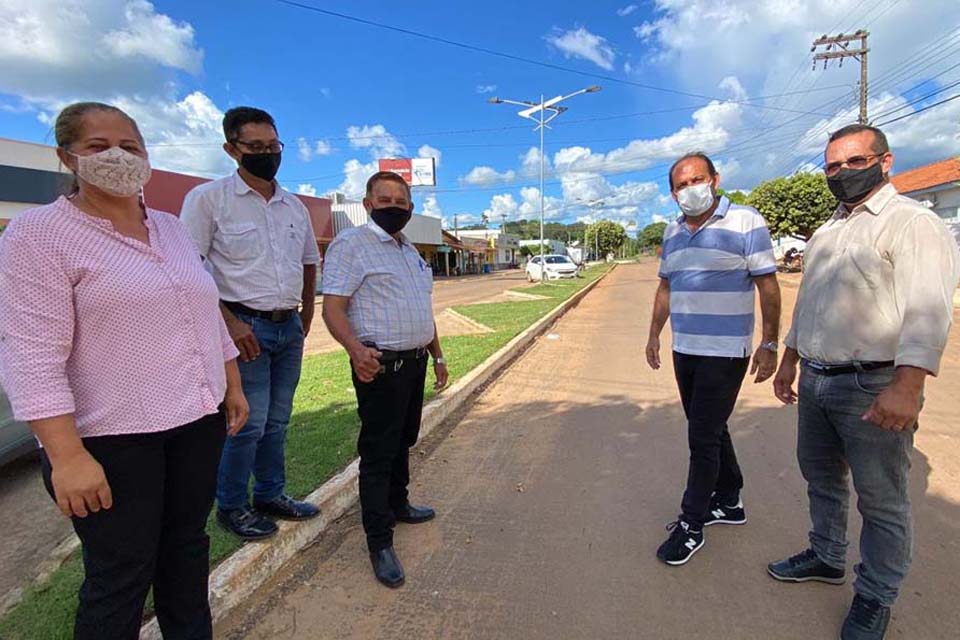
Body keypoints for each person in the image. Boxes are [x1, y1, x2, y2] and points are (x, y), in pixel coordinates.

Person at [0, 102, 248, 640]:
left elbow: (205, 311)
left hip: (194, 425)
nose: (117, 157)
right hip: (111, 442)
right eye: (97, 147)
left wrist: (230, 383)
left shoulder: (170, 229)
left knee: (186, 554)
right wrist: (65, 457)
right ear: (67, 157)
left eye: (130, 147)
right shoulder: (37, 236)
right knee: (121, 576)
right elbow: (31, 355)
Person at [770, 124, 960, 640]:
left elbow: (928, 310)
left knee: (881, 498)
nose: (841, 174)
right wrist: (789, 359)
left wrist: (908, 386)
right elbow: (809, 304)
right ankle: (827, 555)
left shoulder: (912, 223)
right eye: (832, 167)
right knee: (822, 477)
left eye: (854, 162)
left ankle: (876, 595)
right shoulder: (828, 232)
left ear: (885, 161)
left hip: (873, 383)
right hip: (816, 378)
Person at [180, 106, 321, 540]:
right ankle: (233, 506)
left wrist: (305, 315)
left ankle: (271, 495)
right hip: (242, 330)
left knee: (278, 421)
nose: (267, 154)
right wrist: (228, 325)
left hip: (287, 329)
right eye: (255, 147)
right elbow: (188, 269)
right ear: (231, 149)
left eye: (273, 146)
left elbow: (309, 262)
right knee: (247, 422)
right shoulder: (208, 200)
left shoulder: (293, 205)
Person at [646, 151, 781, 566]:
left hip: (725, 352)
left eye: (697, 180)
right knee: (709, 426)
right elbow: (666, 288)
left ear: (715, 179)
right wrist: (654, 334)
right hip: (684, 347)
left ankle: (691, 525)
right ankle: (730, 498)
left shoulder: (745, 221)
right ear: (672, 193)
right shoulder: (672, 232)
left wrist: (770, 343)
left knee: (701, 437)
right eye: (682, 185)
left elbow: (768, 286)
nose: (691, 190)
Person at [321, 171, 449, 588]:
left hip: (414, 364)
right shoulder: (352, 244)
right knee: (378, 454)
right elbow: (333, 309)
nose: (394, 205)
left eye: (402, 200)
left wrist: (438, 356)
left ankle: (399, 503)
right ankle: (380, 541)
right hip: (379, 367)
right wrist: (356, 351)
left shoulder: (409, 250)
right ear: (369, 203)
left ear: (411, 209)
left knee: (404, 442)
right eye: (385, 198)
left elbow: (421, 311)